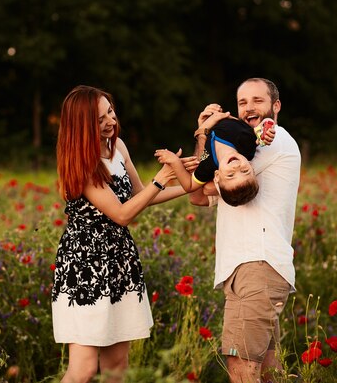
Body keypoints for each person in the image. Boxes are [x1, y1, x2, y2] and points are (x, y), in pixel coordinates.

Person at [51, 85, 195, 383]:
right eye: (100, 119)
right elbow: (122, 214)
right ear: (81, 125)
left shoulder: (118, 148)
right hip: (86, 267)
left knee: (117, 365)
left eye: (111, 112)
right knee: (84, 368)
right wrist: (161, 178)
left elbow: (142, 196)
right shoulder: (81, 163)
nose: (110, 122)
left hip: (119, 262)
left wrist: (189, 182)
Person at [191, 78, 301, 383]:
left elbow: (195, 183)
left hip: (257, 265)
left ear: (275, 106)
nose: (250, 108)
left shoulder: (270, 140)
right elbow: (198, 195)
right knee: (267, 372)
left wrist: (205, 132)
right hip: (251, 267)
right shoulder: (240, 152)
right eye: (242, 103)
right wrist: (204, 137)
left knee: (242, 368)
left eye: (258, 100)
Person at [154, 111, 275, 206]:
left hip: (209, 120)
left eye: (230, 175)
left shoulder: (208, 166)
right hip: (223, 114)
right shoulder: (248, 146)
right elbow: (265, 123)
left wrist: (175, 162)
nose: (236, 167)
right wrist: (268, 130)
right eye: (245, 171)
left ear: (217, 176)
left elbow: (189, 186)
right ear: (251, 166)